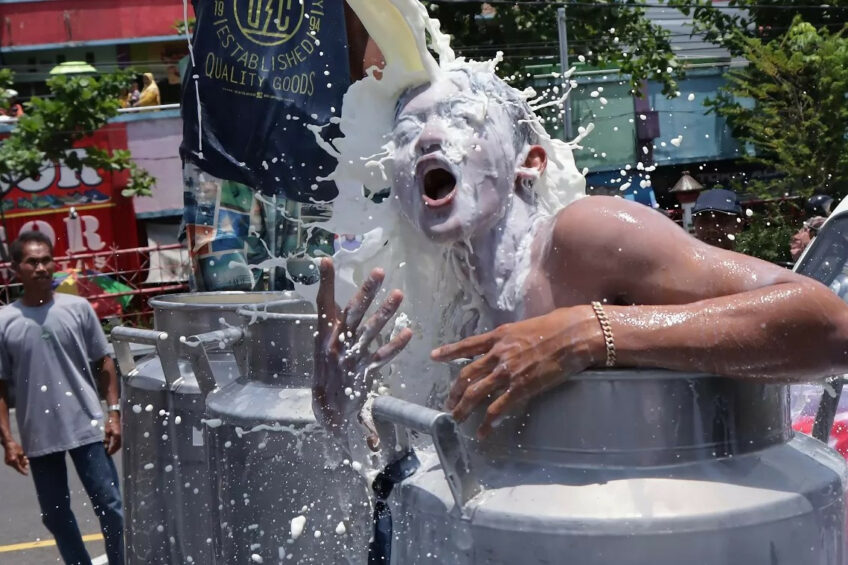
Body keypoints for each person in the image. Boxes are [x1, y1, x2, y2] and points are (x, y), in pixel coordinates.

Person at [312, 66, 848, 450]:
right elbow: (435, 459)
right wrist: (342, 407)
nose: (428, 137)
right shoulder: (441, 300)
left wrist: (588, 334)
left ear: (530, 161)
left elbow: (828, 327)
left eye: (464, 119)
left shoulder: (584, 236)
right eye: (405, 135)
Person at [0, 231, 124, 565]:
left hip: (86, 426)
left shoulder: (79, 308)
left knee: (111, 506)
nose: (41, 268)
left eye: (46, 260)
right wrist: (8, 440)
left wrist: (113, 412)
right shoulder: (4, 321)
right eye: (32, 261)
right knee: (55, 516)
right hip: (39, 436)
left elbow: (105, 361)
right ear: (15, 269)